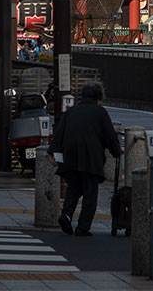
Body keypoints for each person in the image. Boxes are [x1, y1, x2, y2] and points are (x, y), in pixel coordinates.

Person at [51, 81, 121, 237]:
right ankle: (83, 227)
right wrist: (117, 152)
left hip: (70, 155)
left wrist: (55, 154)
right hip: (90, 157)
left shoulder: (71, 112)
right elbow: (110, 136)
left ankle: (66, 215)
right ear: (98, 97)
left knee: (74, 188)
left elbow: (59, 134)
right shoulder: (100, 112)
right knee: (90, 193)